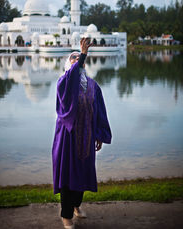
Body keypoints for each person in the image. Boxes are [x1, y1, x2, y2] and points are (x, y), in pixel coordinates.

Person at [52, 38, 112, 229]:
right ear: (68, 65)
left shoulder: (93, 86)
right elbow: (72, 82)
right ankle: (66, 216)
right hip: (68, 138)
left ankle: (76, 206)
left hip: (86, 137)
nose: (78, 60)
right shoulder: (64, 83)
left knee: (83, 172)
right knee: (68, 175)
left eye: (80, 58)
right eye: (74, 58)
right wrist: (83, 53)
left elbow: (100, 110)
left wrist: (100, 134)